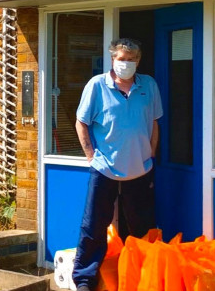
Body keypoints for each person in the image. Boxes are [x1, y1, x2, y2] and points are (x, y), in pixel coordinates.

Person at [71, 38, 162, 291]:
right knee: (94, 226)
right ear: (113, 59)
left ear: (138, 61)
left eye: (132, 60)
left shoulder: (149, 86)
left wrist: (151, 154)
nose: (127, 64)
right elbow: (82, 122)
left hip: (141, 169)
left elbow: (154, 123)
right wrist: (91, 156)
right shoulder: (97, 86)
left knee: (142, 226)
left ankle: (144, 277)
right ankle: (85, 280)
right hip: (105, 169)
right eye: (122, 59)